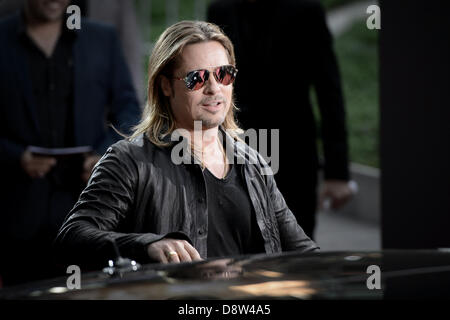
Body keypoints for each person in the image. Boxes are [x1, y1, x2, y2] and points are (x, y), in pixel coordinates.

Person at [55, 20, 319, 270]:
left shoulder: (253, 163)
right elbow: (73, 236)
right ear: (165, 85)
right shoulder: (129, 160)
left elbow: (302, 252)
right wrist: (149, 244)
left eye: (224, 74)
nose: (214, 89)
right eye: (198, 78)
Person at [0, 0, 140, 285]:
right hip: (16, 213)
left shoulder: (102, 39)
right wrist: (16, 156)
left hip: (89, 209)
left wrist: (104, 154)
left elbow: (129, 112)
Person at [207, 0, 353, 239]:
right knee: (235, 249)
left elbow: (329, 91)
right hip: (234, 153)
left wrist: (337, 171)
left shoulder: (307, 10)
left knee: (294, 248)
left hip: (293, 157)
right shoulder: (221, 9)